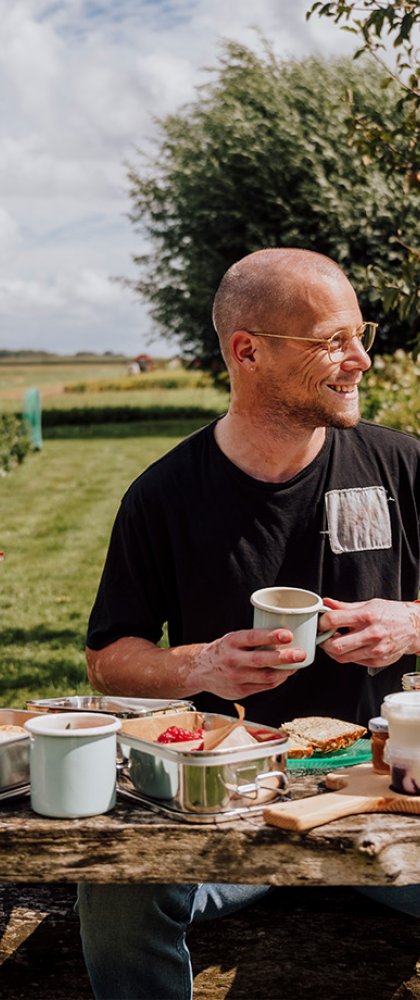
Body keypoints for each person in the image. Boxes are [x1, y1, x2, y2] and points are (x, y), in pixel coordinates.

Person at [78, 248, 420, 999]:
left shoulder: (402, 467)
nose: (361, 359)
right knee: (114, 890)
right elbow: (108, 657)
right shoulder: (164, 494)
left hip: (385, 790)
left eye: (361, 334)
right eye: (332, 340)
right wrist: (197, 668)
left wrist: (412, 622)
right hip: (223, 799)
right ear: (248, 351)